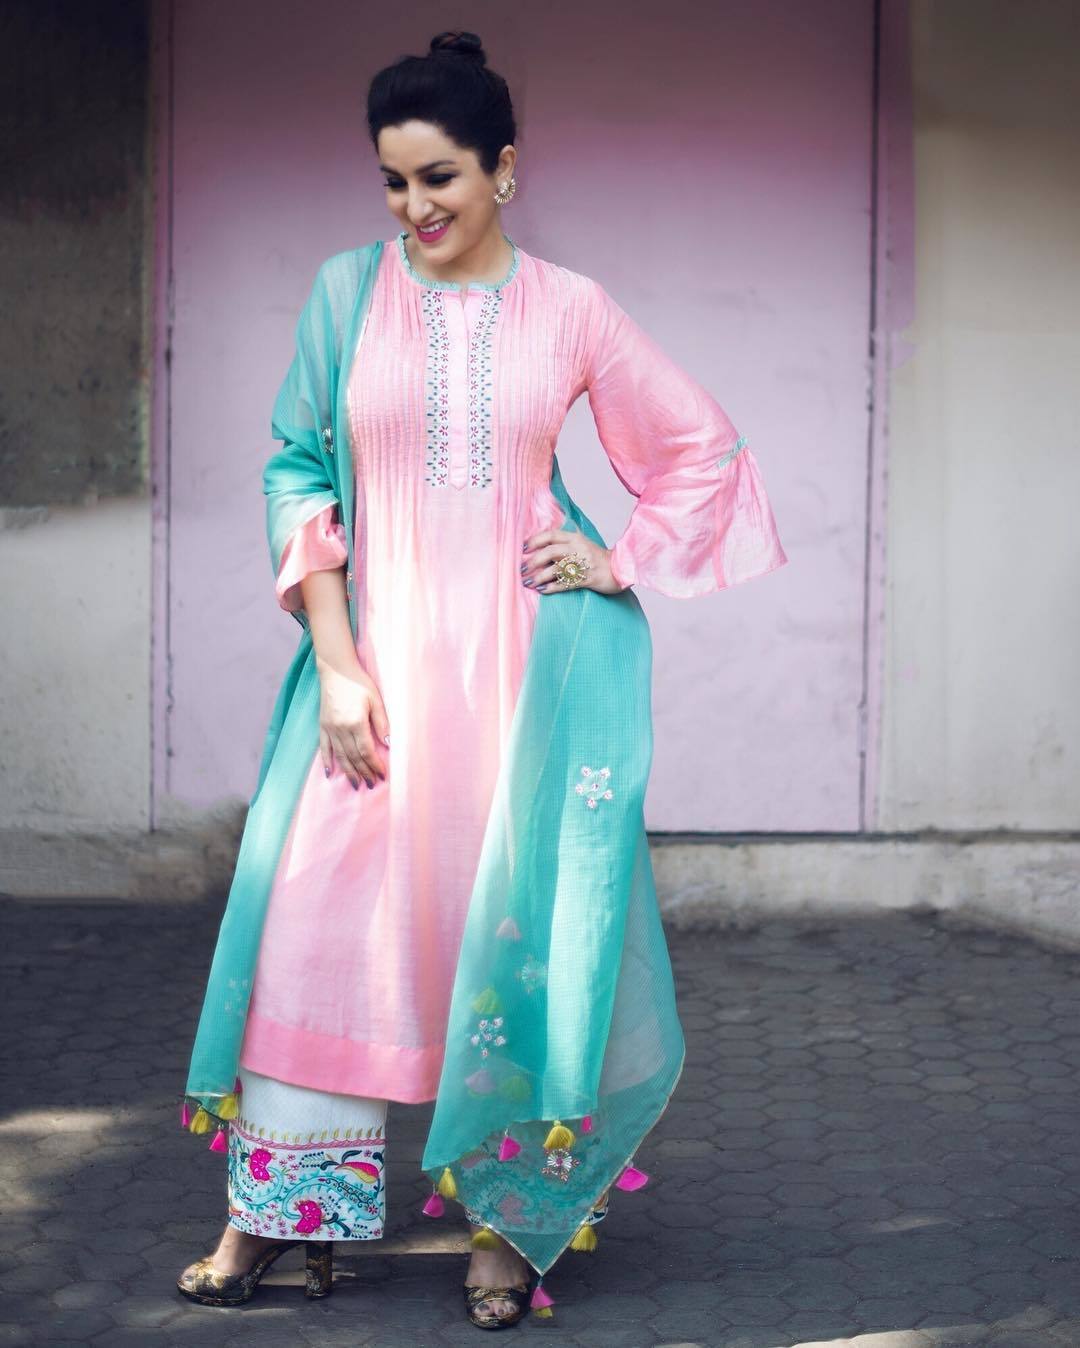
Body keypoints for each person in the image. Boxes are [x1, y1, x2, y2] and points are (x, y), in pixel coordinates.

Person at [176, 28, 788, 1331]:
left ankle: (505, 1224)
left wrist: (616, 558)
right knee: (318, 925)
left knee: (511, 941)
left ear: (505, 168)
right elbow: (299, 471)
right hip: (378, 671)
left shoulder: (571, 308)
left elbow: (698, 448)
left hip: (522, 680)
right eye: (394, 182)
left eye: (440, 177)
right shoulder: (346, 294)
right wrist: (338, 665)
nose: (416, 207)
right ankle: (281, 1211)